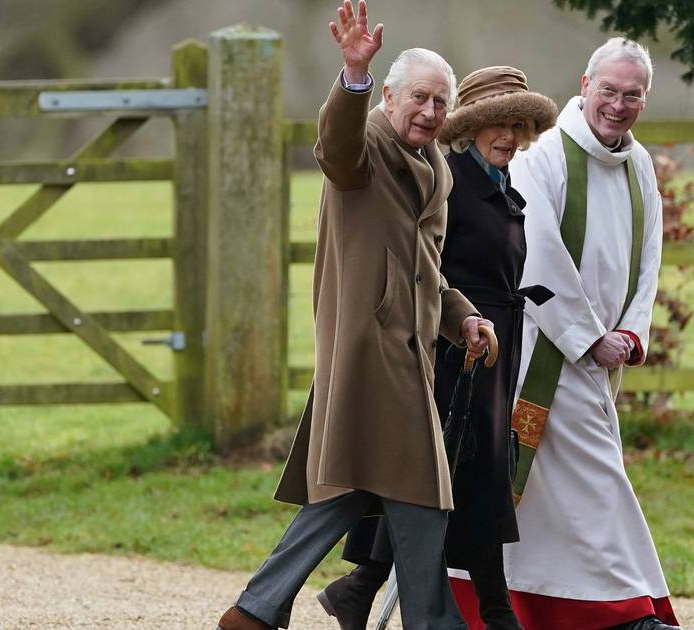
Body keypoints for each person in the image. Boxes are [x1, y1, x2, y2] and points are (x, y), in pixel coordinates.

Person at [215, 2, 491, 629]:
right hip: (370, 351)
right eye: (419, 97)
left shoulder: (434, 167)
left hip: (409, 352)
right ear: (389, 97)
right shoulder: (364, 144)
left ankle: (257, 610)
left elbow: (425, 268)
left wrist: (463, 320)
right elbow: (333, 147)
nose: (429, 112)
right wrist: (352, 76)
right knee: (420, 489)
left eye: (441, 102)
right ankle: (431, 623)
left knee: (366, 485)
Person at [452, 38, 683, 630]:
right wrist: (587, 337)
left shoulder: (640, 166)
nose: (618, 104)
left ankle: (516, 610)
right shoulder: (546, 156)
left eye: (633, 95)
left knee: (545, 502)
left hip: (602, 359)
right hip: (542, 355)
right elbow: (535, 256)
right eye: (608, 90)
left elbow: (650, 256)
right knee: (596, 479)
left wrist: (630, 334)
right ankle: (631, 611)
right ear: (584, 85)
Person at [315, 67, 558, 630]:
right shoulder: (450, 180)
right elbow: (426, 266)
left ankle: (360, 587)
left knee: (467, 474)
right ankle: (492, 613)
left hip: (491, 342)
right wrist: (450, 325)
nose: (509, 135)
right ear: (470, 127)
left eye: (519, 125)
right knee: (447, 474)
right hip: (451, 351)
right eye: (497, 123)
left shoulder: (501, 186)